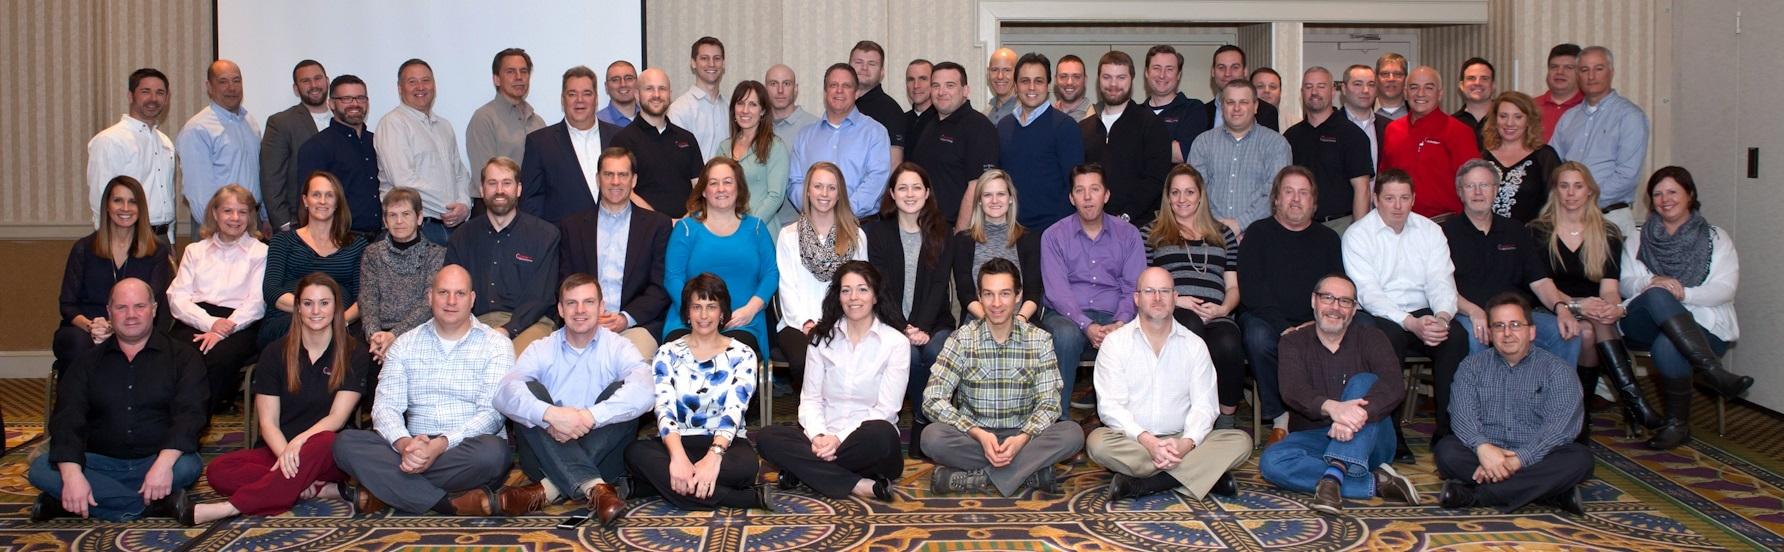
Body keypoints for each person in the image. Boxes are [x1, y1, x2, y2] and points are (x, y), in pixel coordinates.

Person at [183, 273, 370, 525]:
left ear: (336, 308)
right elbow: (268, 422)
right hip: (278, 447)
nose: (316, 311)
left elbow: (336, 418)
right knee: (218, 471)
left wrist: (299, 444)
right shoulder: (275, 352)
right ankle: (315, 488)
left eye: (324, 303)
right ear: (298, 308)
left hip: (327, 454)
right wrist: (285, 456)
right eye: (308, 303)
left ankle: (229, 508)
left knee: (325, 440)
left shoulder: (354, 352)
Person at [332, 265, 512, 517]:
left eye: (460, 293)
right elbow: (385, 407)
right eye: (443, 292)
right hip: (413, 444)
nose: (451, 301)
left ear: (472, 299)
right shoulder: (405, 344)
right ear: (429, 296)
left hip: (466, 448)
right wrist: (404, 445)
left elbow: (491, 416)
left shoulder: (497, 345)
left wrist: (439, 445)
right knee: (344, 443)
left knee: (494, 454)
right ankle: (447, 503)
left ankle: (387, 489)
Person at [29, 279, 205, 522]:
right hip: (97, 462)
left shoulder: (184, 358)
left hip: (158, 460)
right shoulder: (86, 363)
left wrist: (163, 465)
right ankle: (156, 505)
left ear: (154, 309)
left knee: (188, 465)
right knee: (40, 468)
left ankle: (69, 503)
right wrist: (72, 476)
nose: (131, 315)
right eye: (121, 307)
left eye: (139, 306)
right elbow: (67, 419)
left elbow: (191, 415)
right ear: (109, 312)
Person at [491, 274, 654, 524]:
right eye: (571, 303)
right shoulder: (541, 348)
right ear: (560, 309)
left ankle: (547, 490)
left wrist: (589, 417)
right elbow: (503, 393)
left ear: (601, 307)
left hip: (603, 453)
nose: (580, 310)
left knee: (624, 392)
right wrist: (550, 415)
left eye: (588, 302)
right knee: (528, 390)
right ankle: (595, 488)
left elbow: (646, 390)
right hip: (544, 456)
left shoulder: (618, 347)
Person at [1257, 275, 1420, 515]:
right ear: (1314, 301)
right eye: (1328, 298)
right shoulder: (1293, 341)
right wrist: (1334, 408)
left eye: (1344, 301)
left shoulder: (1373, 338)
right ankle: (1376, 483)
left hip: (1372, 438)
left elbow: (1394, 385)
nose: (1335, 307)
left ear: (1354, 309)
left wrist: (1353, 416)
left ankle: (1334, 474)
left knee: (1364, 381)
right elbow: (1293, 391)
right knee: (1271, 462)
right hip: (1318, 437)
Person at [922, 258, 1085, 496]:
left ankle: (977, 478)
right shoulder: (962, 339)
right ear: (979, 297)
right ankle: (1028, 474)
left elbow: (1050, 403)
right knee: (931, 437)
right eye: (989, 294)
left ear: (1018, 296)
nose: (996, 303)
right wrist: (977, 433)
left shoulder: (1039, 340)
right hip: (975, 438)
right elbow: (932, 399)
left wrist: (1022, 438)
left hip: (1024, 436)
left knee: (1072, 433)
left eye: (1005, 294)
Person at [1091, 267, 1252, 500]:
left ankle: (1145, 484)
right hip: (1134, 440)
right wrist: (1148, 441)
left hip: (1182, 437)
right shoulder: (1115, 344)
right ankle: (1204, 474)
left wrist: (1186, 444)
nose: (1157, 298)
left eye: (1164, 291)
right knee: (1097, 443)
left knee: (1240, 442)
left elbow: (1205, 406)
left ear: (1175, 297)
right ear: (1136, 298)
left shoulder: (1194, 345)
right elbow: (1110, 407)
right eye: (1149, 291)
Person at [1619, 166, 1751, 449]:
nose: (1665, 199)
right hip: (1643, 323)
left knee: (1669, 343)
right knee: (1657, 294)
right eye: (1657, 194)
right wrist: (1653, 281)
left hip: (1704, 326)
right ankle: (1713, 372)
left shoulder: (1716, 238)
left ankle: (1677, 425)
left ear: (1690, 194)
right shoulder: (1638, 236)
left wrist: (1683, 293)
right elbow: (1627, 284)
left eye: (1672, 192)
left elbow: (1725, 289)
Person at [1526, 163, 1660, 438]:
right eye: (1564, 186)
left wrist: (1609, 306)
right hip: (1549, 306)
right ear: (1555, 191)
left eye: (1578, 186)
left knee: (1591, 327)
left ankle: (1583, 413)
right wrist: (1578, 304)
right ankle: (1632, 402)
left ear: (1590, 191)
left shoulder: (1607, 232)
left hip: (1592, 309)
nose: (1571, 193)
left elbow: (1609, 288)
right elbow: (1541, 285)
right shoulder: (1537, 231)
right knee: (1587, 331)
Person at [757, 261, 908, 500]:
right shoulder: (821, 339)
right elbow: (810, 400)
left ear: (876, 296)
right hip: (822, 438)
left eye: (862, 289)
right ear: (838, 296)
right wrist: (818, 436)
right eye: (846, 290)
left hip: (866, 443)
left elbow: (886, 411)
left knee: (882, 434)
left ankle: (803, 471)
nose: (853, 297)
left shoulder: (896, 343)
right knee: (767, 437)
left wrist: (838, 440)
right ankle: (856, 483)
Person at [1342, 169, 1468, 455]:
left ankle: (1447, 432)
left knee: (1456, 337)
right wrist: (1410, 323)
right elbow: (1369, 293)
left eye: (1404, 198)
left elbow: (1441, 280)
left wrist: (1442, 317)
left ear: (1413, 199)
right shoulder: (1358, 235)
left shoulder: (1430, 231)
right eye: (1389, 198)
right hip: (1380, 312)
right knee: (1387, 340)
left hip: (1424, 309)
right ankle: (1392, 434)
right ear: (1376, 200)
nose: (1397, 206)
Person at [1436, 293, 1593, 515]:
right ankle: (1550, 493)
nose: (1507, 333)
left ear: (1532, 331)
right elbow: (1462, 415)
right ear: (1490, 333)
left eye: (1515, 325)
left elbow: (1560, 427)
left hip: (1538, 454)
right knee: (1447, 452)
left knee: (1579, 459)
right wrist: (1482, 448)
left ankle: (1475, 496)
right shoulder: (1471, 367)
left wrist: (1519, 459)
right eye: (1499, 326)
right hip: (1485, 452)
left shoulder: (1557, 370)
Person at [626, 274, 772, 511]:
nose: (704, 315)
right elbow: (664, 409)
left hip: (726, 444)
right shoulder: (667, 353)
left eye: (711, 307)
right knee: (635, 453)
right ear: (687, 312)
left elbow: (735, 411)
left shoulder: (743, 354)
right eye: (697, 307)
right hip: (678, 441)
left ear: (722, 313)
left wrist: (713, 457)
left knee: (745, 467)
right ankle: (743, 499)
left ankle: (652, 486)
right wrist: (678, 458)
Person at [1240, 167, 1347, 443]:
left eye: (1303, 193)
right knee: (1257, 337)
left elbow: (1335, 289)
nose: (1296, 199)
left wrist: (1314, 324)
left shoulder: (1328, 239)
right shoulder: (1257, 234)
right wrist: (1284, 328)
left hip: (1315, 319)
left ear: (1314, 202)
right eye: (1288, 192)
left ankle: (1333, 413)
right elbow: (1252, 292)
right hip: (1267, 319)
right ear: (1276, 199)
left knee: (1358, 327)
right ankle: (1281, 419)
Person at [1443, 160, 1583, 367]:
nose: (1478, 192)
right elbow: (1441, 287)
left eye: (1484, 185)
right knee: (1475, 335)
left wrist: (1562, 308)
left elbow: (1540, 281)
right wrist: (1473, 311)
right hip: (1469, 314)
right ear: (1460, 193)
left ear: (1496, 190)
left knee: (1566, 333)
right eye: (1470, 186)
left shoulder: (1516, 230)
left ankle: (1556, 389)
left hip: (1516, 315)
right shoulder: (1444, 233)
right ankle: (1485, 389)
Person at [1040, 164, 1147, 417]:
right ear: (1071, 197)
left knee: (1138, 333)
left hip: (1116, 314)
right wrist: (1086, 325)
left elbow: (1134, 287)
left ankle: (1130, 422)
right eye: (1080, 190)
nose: (1087, 197)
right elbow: (1057, 291)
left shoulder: (1129, 235)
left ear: (1106, 195)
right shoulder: (1053, 236)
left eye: (1094, 189)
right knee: (1065, 335)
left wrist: (1120, 322)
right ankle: (1059, 420)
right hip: (1066, 315)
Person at [1144, 166, 1246, 428]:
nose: (1182, 199)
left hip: (1216, 313)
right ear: (1167, 197)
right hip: (1172, 310)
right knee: (1189, 327)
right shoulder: (1151, 233)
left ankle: (1225, 417)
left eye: (1189, 192)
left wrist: (1224, 309)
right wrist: (1174, 300)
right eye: (1175, 192)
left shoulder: (1223, 234)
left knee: (1228, 342)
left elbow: (1233, 286)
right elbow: (1144, 285)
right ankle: (1186, 414)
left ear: (1200, 195)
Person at [865, 163, 956, 458]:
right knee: (910, 355)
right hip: (891, 321)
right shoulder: (876, 232)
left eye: (917, 187)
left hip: (935, 321)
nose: (910, 194)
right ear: (892, 193)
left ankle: (924, 421)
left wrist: (923, 327)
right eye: (902, 188)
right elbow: (881, 288)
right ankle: (921, 418)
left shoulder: (943, 231)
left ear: (927, 192)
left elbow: (939, 284)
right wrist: (903, 327)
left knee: (934, 352)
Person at [557, 148, 674, 360]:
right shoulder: (572, 227)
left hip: (636, 325)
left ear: (633, 180)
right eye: (608, 174)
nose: (615, 182)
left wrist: (625, 318)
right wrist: (588, 316)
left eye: (622, 175)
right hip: (582, 322)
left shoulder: (657, 226)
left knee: (631, 365)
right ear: (598, 179)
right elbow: (566, 282)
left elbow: (660, 286)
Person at [54, 177, 174, 376]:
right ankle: (77, 397)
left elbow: (155, 305)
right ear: (107, 207)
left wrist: (115, 328)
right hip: (86, 328)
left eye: (132, 201)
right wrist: (92, 327)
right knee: (77, 344)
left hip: (135, 327)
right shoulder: (83, 248)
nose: (125, 208)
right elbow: (67, 305)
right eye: (118, 200)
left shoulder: (156, 252)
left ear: (141, 208)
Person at [663, 158, 780, 358]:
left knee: (733, 359)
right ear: (703, 190)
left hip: (741, 321)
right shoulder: (686, 229)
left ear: (738, 188)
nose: (721, 189)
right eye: (713, 183)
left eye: (727, 182)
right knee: (681, 359)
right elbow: (672, 277)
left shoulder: (756, 228)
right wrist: (695, 312)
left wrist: (751, 309)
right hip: (690, 320)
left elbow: (771, 273)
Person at [167, 184, 267, 414]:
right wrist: (210, 324)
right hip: (196, 317)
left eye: (242, 212)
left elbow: (257, 302)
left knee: (219, 357)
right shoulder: (195, 251)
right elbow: (177, 297)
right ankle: (167, 416)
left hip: (240, 323)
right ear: (215, 213)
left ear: (250, 216)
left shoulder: (260, 252)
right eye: (228, 211)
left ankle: (195, 417)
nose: (235, 218)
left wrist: (224, 329)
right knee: (175, 353)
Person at [447, 157, 562, 354]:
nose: (499, 190)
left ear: (518, 189)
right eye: (492, 183)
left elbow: (541, 297)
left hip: (531, 324)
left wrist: (506, 330)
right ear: (482, 190)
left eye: (507, 183)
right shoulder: (462, 236)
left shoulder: (545, 235)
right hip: (474, 325)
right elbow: (452, 291)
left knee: (509, 363)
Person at [777, 162, 870, 391]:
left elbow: (861, 289)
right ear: (808, 191)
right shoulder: (788, 236)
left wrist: (839, 323)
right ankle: (811, 412)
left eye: (831, 188)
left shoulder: (856, 236)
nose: (824, 194)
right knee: (805, 361)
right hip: (797, 324)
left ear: (839, 194)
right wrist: (806, 323)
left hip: (844, 321)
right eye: (818, 186)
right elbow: (787, 288)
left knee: (847, 362)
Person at [1550, 46, 1649, 239]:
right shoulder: (1568, 118)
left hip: (1610, 218)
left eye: (1598, 69)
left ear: (1611, 72)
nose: (1591, 76)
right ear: (1577, 75)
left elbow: (1627, 175)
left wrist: (1584, 201)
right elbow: (1554, 166)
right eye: (1584, 70)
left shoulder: (1630, 116)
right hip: (1568, 219)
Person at [260, 172, 368, 348]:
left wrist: (337, 322)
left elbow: (363, 299)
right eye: (316, 194)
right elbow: (271, 291)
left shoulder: (358, 245)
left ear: (337, 202)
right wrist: (313, 312)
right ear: (305, 200)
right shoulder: (282, 241)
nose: (322, 201)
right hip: (288, 319)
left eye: (329, 195)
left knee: (352, 345)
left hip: (340, 322)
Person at [376, 59, 473, 245]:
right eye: (412, 81)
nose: (420, 87)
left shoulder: (444, 126)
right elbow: (403, 181)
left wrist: (464, 206)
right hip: (417, 228)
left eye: (426, 80)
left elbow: (460, 173)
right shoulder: (393, 124)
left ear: (434, 85)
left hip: (453, 227)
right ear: (400, 88)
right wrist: (449, 206)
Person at [518, 65, 625, 223]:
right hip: (561, 236)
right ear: (563, 100)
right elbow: (530, 203)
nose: (579, 100)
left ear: (596, 99)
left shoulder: (619, 137)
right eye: (572, 94)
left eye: (586, 93)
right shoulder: (539, 143)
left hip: (615, 232)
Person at [1080, 50, 1172, 227]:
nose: (1113, 84)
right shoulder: (1084, 129)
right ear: (1098, 80)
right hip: (1091, 226)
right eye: (1107, 77)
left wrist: (1125, 216)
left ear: (1132, 79)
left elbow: (1156, 179)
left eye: (1121, 77)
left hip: (1138, 227)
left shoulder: (1151, 125)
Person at [789, 64, 893, 220]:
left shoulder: (875, 132)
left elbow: (876, 179)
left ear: (856, 93)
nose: (839, 90)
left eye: (846, 86)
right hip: (814, 225)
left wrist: (841, 213)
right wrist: (816, 211)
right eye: (833, 85)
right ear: (825, 92)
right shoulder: (805, 136)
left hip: (860, 225)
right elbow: (795, 182)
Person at [1189, 80, 1291, 234]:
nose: (1236, 108)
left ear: (1255, 106)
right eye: (1230, 102)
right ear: (1222, 106)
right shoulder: (1202, 142)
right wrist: (1219, 227)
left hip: (1260, 235)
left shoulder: (1276, 144)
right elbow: (1195, 190)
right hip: (1210, 234)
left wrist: (1239, 225)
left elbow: (1275, 193)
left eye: (1243, 102)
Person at [998, 52, 1085, 231]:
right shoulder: (1004, 126)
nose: (1031, 87)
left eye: (1038, 81)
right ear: (1015, 86)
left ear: (1048, 85)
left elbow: (1074, 184)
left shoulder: (1065, 126)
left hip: (1051, 231)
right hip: (1010, 229)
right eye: (1025, 81)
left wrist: (1057, 232)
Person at [359, 187, 446, 363]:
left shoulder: (436, 254)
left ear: (419, 217)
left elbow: (429, 303)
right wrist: (375, 337)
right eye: (393, 215)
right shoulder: (372, 253)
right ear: (385, 221)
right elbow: (368, 299)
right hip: (378, 337)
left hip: (420, 334)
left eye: (406, 214)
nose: (399, 221)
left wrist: (395, 336)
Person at [910, 61, 1001, 228]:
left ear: (965, 90)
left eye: (950, 85)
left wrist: (960, 234)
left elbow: (977, 186)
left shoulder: (979, 127)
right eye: (936, 86)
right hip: (925, 227)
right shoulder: (928, 124)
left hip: (955, 230)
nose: (941, 92)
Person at [88, 68, 176, 239]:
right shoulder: (110, 140)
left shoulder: (165, 142)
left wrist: (170, 239)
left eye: (160, 93)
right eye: (145, 92)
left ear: (167, 98)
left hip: (162, 237)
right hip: (125, 236)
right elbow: (100, 198)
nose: (153, 98)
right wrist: (108, 243)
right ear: (130, 96)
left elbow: (168, 195)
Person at [1378, 66, 1477, 218]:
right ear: (1405, 92)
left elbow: (1473, 183)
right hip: (1398, 220)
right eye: (1414, 87)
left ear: (1440, 94)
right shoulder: (1393, 129)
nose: (1420, 93)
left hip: (1443, 222)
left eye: (1429, 88)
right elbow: (1384, 178)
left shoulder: (1459, 132)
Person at [177, 59, 262, 236]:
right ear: (209, 87)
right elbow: (198, 191)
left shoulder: (250, 122)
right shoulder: (198, 128)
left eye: (236, 80)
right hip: (217, 228)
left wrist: (263, 216)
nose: (231, 88)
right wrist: (216, 231)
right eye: (223, 81)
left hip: (251, 222)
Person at [949, 169, 1044, 325]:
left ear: (1010, 198)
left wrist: (1016, 324)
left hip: (1022, 322)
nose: (994, 200)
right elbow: (966, 294)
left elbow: (1033, 292)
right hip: (978, 322)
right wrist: (993, 324)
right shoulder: (963, 241)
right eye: (987, 195)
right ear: (979, 200)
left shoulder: (1030, 239)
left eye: (1001, 194)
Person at [1286, 66, 1374, 232]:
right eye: (1308, 87)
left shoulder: (1352, 135)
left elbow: (1362, 189)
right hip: (1297, 225)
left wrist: (1358, 234)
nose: (1314, 92)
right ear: (1302, 92)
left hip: (1339, 226)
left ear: (1333, 91)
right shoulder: (1291, 136)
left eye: (1321, 86)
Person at [295, 75, 383, 239]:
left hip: (380, 239)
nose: (355, 104)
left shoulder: (377, 142)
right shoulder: (316, 147)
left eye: (360, 98)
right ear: (331, 104)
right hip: (339, 239)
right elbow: (308, 203)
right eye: (346, 99)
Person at [614, 68, 708, 219]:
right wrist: (662, 222)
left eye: (662, 89)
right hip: (643, 228)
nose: (656, 95)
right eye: (649, 89)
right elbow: (623, 189)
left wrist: (684, 220)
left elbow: (700, 187)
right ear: (637, 95)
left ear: (670, 94)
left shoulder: (687, 138)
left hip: (685, 227)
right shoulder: (622, 140)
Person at [467, 48, 546, 217]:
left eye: (523, 71)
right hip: (494, 211)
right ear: (496, 79)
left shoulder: (538, 122)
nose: (519, 77)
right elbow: (486, 177)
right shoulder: (484, 118)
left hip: (530, 212)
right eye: (510, 72)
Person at [260, 60, 331, 232]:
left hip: (340, 224)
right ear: (296, 88)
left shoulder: (342, 119)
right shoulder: (281, 123)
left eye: (318, 78)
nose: (313, 85)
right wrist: (285, 225)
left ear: (327, 81)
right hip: (299, 224)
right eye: (305, 81)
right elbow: (271, 178)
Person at [717, 80, 793, 227]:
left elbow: (775, 197)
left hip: (760, 229)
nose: (745, 110)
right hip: (725, 229)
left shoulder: (775, 147)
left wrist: (749, 227)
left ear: (762, 111)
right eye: (740, 103)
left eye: (753, 104)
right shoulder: (724, 148)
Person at [1481, 92, 1563, 223]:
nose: (1509, 123)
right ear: (1495, 119)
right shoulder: (1482, 156)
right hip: (1484, 233)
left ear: (1529, 121)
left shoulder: (1545, 156)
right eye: (1503, 116)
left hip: (1530, 234)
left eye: (1518, 117)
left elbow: (1557, 204)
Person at [1141, 45, 1209, 165]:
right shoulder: (1135, 113)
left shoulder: (1193, 109)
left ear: (1178, 75)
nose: (1162, 75)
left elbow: (1182, 154)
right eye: (1156, 68)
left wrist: (1138, 144)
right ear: (1146, 72)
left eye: (1169, 69)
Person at [850, 40, 910, 167]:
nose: (864, 68)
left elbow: (894, 163)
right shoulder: (840, 104)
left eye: (872, 64)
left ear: (882, 72)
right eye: (859, 62)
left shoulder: (891, 111)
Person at [668, 37, 729, 161]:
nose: (711, 64)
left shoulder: (731, 107)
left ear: (723, 63)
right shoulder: (678, 110)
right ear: (693, 63)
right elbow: (677, 158)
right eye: (704, 58)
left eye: (717, 58)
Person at [1199, 46, 1280, 132]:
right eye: (1221, 67)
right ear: (1212, 72)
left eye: (1235, 67)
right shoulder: (1201, 112)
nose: (1227, 73)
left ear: (1245, 71)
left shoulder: (1266, 112)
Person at [1340, 64, 1391, 170]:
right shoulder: (1329, 126)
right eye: (1358, 84)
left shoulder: (1389, 127)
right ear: (1344, 89)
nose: (1365, 90)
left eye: (1371, 85)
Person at [1535, 44, 1583, 142]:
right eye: (1554, 67)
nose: (1560, 72)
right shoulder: (1529, 107)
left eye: (1568, 67)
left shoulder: (1590, 108)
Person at [766, 64, 819, 143]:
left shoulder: (815, 127)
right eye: (773, 84)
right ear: (765, 89)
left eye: (786, 84)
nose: (780, 90)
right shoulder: (755, 125)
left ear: (795, 89)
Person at [1451, 58, 1496, 146]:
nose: (1477, 83)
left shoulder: (1507, 121)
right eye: (1471, 78)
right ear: (1461, 85)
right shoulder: (1451, 124)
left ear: (1493, 85)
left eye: (1484, 78)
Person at [903, 59, 936, 158]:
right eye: (911, 79)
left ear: (934, 83)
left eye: (923, 79)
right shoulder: (900, 120)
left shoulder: (944, 121)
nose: (916, 85)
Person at [1052, 55, 1096, 122]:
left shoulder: (1097, 118)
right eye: (1063, 76)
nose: (1069, 82)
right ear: (1055, 80)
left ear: (1085, 80)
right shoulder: (1047, 116)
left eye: (1076, 77)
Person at [598, 60, 640, 128]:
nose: (623, 84)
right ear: (606, 87)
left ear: (638, 83)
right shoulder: (596, 122)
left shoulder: (650, 118)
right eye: (615, 80)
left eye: (629, 78)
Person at [984, 47, 1020, 125]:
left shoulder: (1026, 114)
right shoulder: (984, 116)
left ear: (1017, 73)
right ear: (988, 73)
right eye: (995, 70)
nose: (1000, 76)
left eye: (1007, 70)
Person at [1374, 53, 1410, 120]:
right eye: (1385, 74)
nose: (1391, 79)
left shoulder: (1417, 112)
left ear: (1406, 78)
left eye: (1397, 74)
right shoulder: (1363, 110)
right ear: (1376, 78)